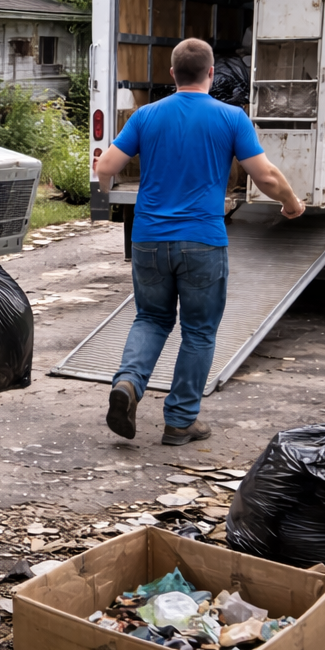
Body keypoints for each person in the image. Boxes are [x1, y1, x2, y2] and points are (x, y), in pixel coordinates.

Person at [95, 37, 304, 446]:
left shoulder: (146, 115)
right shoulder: (231, 117)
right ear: (211, 72)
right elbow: (266, 177)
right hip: (202, 242)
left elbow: (107, 167)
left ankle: (128, 384)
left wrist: (105, 187)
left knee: (150, 318)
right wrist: (291, 204)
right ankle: (180, 420)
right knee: (199, 332)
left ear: (172, 74)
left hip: (150, 238)